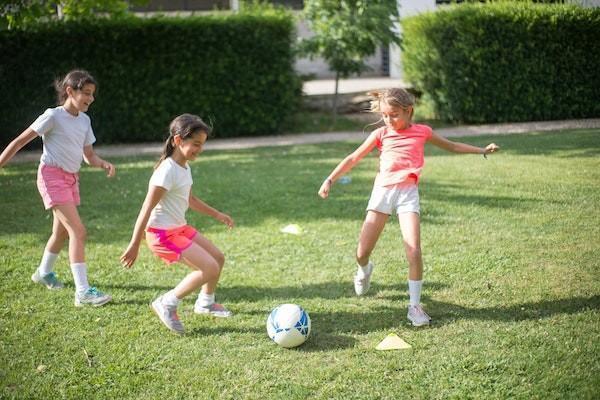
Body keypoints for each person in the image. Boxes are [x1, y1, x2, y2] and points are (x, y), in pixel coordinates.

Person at [318, 88, 500, 327]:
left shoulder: (423, 132)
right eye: (384, 115)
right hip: (382, 193)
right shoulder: (381, 134)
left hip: (408, 194)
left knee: (414, 251)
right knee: (361, 253)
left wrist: (482, 151)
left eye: (393, 115)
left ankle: (414, 307)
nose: (388, 120)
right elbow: (353, 158)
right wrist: (330, 179)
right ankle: (364, 270)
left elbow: (452, 146)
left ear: (408, 111)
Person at [0, 69, 114, 306]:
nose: (91, 99)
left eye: (93, 94)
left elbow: (88, 156)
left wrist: (102, 164)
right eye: (86, 93)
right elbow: (20, 141)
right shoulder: (52, 116)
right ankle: (82, 292)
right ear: (70, 91)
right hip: (51, 177)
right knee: (78, 231)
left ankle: (43, 272)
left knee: (61, 232)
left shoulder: (84, 120)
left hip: (72, 179)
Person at [120, 113, 234, 335]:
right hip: (162, 234)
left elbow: (190, 200)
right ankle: (167, 303)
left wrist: (217, 214)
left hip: (179, 228)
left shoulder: (183, 166)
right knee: (208, 267)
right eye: (195, 144)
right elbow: (146, 208)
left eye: (202, 145)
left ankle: (206, 303)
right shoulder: (166, 171)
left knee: (218, 258)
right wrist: (135, 243)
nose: (199, 150)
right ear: (178, 140)